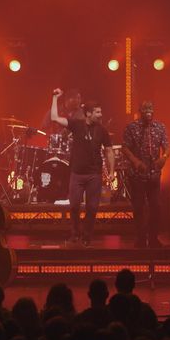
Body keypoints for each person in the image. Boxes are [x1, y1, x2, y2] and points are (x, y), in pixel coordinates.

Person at [50, 88, 114, 247]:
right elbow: (54, 117)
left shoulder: (102, 130)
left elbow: (109, 151)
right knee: (74, 206)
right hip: (77, 174)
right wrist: (55, 98)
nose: (100, 115)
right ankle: (75, 232)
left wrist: (112, 172)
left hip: (94, 174)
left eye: (100, 112)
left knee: (92, 208)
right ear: (88, 114)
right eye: (97, 112)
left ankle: (87, 235)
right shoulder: (76, 125)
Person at [122, 101, 170, 248]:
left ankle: (153, 237)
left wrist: (164, 158)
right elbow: (124, 148)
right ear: (140, 111)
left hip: (154, 174)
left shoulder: (160, 127)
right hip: (137, 175)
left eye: (150, 108)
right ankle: (141, 238)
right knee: (139, 207)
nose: (148, 111)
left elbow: (167, 147)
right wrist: (135, 162)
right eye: (145, 108)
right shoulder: (132, 128)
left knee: (155, 206)